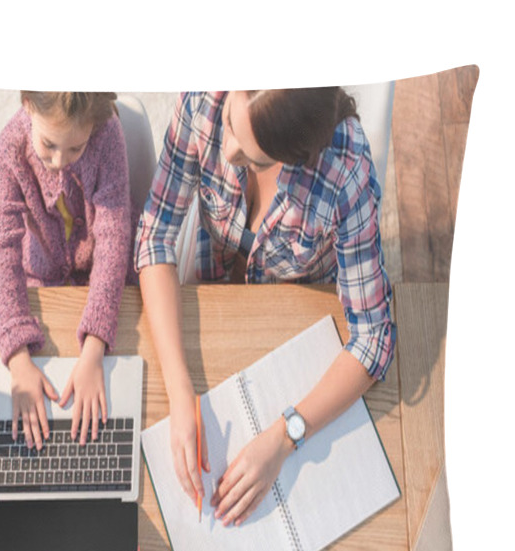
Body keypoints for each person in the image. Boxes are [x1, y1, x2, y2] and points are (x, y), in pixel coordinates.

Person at [135, 89, 395, 526]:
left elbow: (374, 338)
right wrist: (180, 392)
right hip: (209, 299)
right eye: (233, 127)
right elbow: (155, 235)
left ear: (299, 154)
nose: (227, 150)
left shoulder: (345, 170)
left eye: (257, 160)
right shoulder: (204, 97)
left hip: (293, 328)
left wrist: (284, 437)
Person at [0, 91, 133, 451]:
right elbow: (2, 250)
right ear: (27, 105)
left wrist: (95, 348)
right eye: (49, 144)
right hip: (44, 278)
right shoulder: (11, 147)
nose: (59, 161)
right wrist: (18, 358)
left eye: (75, 149)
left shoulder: (108, 135)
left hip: (106, 282)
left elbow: (114, 240)